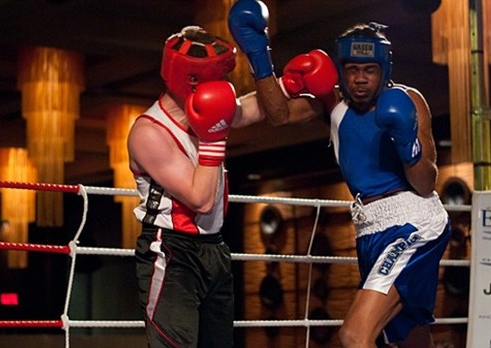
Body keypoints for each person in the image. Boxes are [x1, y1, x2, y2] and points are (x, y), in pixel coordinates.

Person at [228, 2, 452, 347]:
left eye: (369, 69)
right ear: (340, 70)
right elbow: (278, 114)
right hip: (368, 228)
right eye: (351, 69)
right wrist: (258, 53)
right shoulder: (333, 104)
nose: (360, 79)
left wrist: (408, 146)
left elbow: (426, 183)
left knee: (354, 335)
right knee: (410, 338)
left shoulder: (408, 101)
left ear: (384, 69)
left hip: (414, 223)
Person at [127, 25, 282, 348]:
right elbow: (200, 199)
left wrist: (290, 83)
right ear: (193, 79)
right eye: (217, 77)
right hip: (172, 252)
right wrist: (213, 140)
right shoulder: (148, 132)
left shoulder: (205, 108)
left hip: (215, 248)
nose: (224, 86)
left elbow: (253, 110)